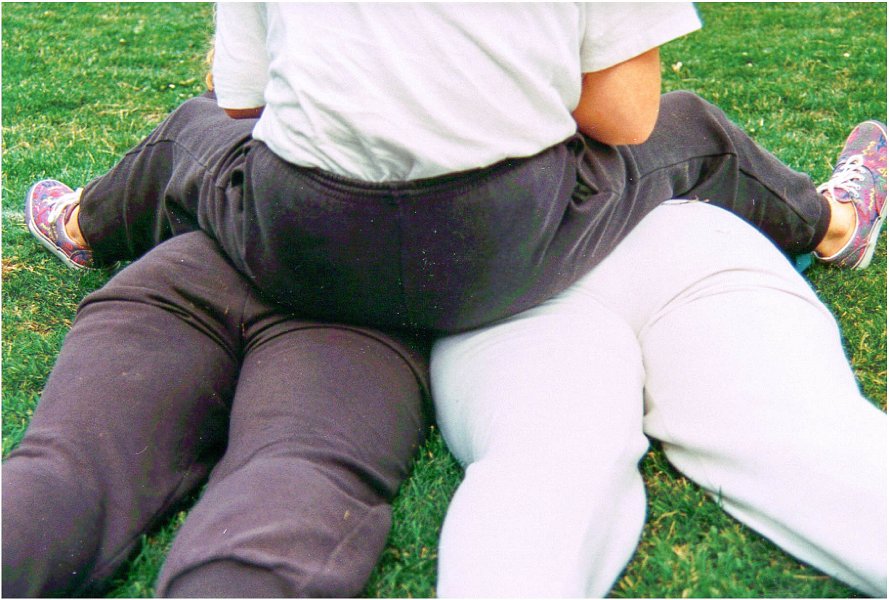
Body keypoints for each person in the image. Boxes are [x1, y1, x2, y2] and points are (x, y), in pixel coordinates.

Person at [23, 4, 885, 339]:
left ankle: (81, 224)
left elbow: (239, 104)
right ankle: (836, 226)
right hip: (502, 251)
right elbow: (624, 121)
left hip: (304, 247)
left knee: (189, 134)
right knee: (691, 128)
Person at [2, 227, 434, 597]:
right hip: (357, 307)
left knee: (68, 464)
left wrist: (82, 216)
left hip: (197, 270)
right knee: (290, 483)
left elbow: (166, 172)